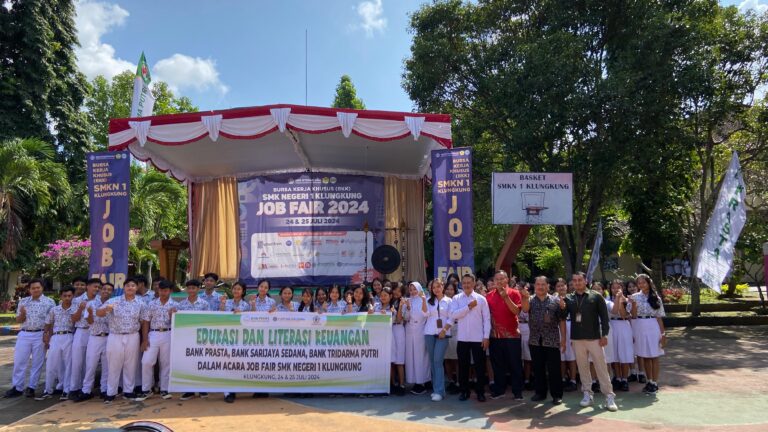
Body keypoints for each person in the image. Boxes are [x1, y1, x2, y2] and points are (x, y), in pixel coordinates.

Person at [563, 272, 617, 411]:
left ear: (585, 281)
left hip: (595, 338)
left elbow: (604, 318)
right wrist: (562, 307)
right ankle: (587, 394)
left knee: (601, 367)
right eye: (574, 281)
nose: (577, 283)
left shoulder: (596, 296)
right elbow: (562, 317)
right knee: (582, 367)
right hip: (577, 338)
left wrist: (604, 334)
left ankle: (609, 396)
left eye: (580, 280)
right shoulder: (569, 298)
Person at [96, 277, 145, 404]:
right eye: (128, 285)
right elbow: (98, 313)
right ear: (124, 288)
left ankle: (128, 391)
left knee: (131, 364)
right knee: (113, 364)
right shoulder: (114, 301)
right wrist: (107, 309)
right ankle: (110, 392)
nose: (130, 288)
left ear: (136, 288)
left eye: (133, 285)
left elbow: (143, 321)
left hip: (133, 335)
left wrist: (144, 340)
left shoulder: (141, 303)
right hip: (115, 335)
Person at [4, 279, 55, 398]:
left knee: (37, 362)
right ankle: (17, 387)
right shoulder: (23, 302)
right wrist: (22, 314)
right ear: (29, 290)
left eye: (38, 287)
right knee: (19, 361)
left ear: (42, 288)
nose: (36, 290)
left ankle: (31, 387)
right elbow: (18, 320)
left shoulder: (50, 302)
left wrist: (49, 336)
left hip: (40, 334)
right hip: (25, 333)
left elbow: (52, 321)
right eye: (33, 288)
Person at [521, 276, 566, 405]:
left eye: (543, 284)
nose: (540, 287)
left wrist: (563, 339)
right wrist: (524, 296)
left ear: (548, 286)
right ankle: (540, 393)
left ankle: (557, 395)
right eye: (538, 284)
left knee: (554, 369)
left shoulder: (555, 301)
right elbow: (524, 309)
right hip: (535, 340)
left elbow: (562, 321)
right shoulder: (530, 299)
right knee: (538, 368)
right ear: (534, 286)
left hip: (552, 340)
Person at [450, 274, 490, 402]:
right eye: (464, 282)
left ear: (473, 283)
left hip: (478, 338)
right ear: (461, 284)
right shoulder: (456, 298)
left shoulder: (481, 299)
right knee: (463, 366)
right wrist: (468, 307)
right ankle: (464, 391)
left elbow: (487, 319)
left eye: (469, 282)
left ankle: (480, 392)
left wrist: (486, 337)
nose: (466, 285)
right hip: (462, 338)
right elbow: (454, 315)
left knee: (479, 367)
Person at [136, 280, 178, 402]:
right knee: (146, 362)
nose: (163, 293)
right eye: (161, 290)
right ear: (157, 290)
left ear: (170, 291)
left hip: (168, 333)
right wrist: (144, 340)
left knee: (165, 363)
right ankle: (146, 389)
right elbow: (146, 322)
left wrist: (172, 315)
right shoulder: (151, 304)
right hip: (153, 333)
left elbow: (177, 324)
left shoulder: (175, 306)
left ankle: (164, 388)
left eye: (165, 290)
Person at [486, 270, 523, 400]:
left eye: (502, 279)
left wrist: (505, 297)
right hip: (495, 336)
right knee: (498, 365)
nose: (500, 281)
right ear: (494, 281)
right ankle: (499, 390)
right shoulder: (489, 296)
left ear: (507, 280)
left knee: (515, 364)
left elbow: (516, 311)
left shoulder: (514, 293)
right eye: (497, 279)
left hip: (512, 335)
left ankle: (517, 392)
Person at [35, 286, 76, 400]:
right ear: (61, 296)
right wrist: (46, 334)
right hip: (56, 337)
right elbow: (48, 323)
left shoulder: (75, 309)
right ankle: (47, 389)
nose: (67, 298)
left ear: (72, 296)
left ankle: (66, 390)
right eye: (65, 296)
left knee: (69, 364)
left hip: (69, 336)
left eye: (69, 296)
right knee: (51, 364)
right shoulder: (55, 309)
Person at [76, 282, 114, 402]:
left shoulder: (113, 304)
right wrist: (92, 314)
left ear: (111, 292)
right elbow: (90, 321)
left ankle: (104, 389)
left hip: (109, 337)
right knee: (91, 365)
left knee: (107, 366)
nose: (106, 291)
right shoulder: (91, 304)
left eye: (109, 289)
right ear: (100, 290)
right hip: (95, 337)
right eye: (104, 289)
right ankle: (86, 390)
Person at [630, 274, 666, 395]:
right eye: (639, 283)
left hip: (652, 325)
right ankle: (649, 381)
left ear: (648, 283)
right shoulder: (634, 297)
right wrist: (633, 303)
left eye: (643, 282)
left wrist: (663, 334)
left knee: (654, 356)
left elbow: (659, 317)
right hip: (639, 325)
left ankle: (655, 383)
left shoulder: (656, 298)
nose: (641, 285)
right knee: (645, 355)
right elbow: (633, 315)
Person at [68, 277, 101, 400]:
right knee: (77, 361)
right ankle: (73, 388)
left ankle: (87, 389)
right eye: (94, 286)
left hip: (95, 333)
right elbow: (73, 319)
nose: (96, 289)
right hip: (81, 332)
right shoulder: (77, 301)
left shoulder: (100, 300)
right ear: (88, 287)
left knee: (91, 363)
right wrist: (81, 309)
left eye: (98, 287)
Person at [218, 281, 250, 403]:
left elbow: (249, 320)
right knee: (226, 364)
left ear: (243, 292)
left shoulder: (246, 305)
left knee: (236, 365)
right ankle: (228, 392)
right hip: (226, 337)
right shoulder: (226, 302)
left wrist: (241, 314)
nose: (236, 291)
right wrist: (222, 305)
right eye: (235, 289)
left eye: (239, 289)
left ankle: (235, 388)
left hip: (240, 339)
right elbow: (219, 315)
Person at [423, 279, 452, 401]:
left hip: (443, 334)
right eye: (433, 287)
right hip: (429, 333)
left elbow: (452, 318)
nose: (436, 289)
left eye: (438, 286)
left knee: (437, 361)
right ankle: (436, 389)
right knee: (433, 361)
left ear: (442, 286)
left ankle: (439, 391)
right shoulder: (430, 300)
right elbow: (425, 314)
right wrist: (424, 300)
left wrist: (444, 330)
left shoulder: (449, 301)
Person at [403, 282, 430, 395]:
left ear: (419, 289)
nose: (413, 292)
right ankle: (414, 381)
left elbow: (425, 314)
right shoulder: (408, 301)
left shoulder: (425, 299)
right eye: (411, 289)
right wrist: (408, 308)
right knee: (411, 357)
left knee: (421, 357)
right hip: (409, 329)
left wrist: (423, 301)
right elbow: (405, 317)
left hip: (420, 329)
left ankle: (423, 382)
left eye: (415, 289)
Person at [606, 280, 633, 392]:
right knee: (614, 354)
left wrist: (621, 300)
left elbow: (623, 315)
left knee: (624, 353)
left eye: (618, 287)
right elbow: (611, 312)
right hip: (612, 326)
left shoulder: (627, 300)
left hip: (623, 326)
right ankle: (617, 377)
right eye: (613, 287)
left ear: (622, 288)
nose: (616, 289)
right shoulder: (607, 301)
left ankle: (625, 379)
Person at [555, 278, 578, 391]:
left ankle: (573, 380)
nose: (561, 288)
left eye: (562, 286)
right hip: (557, 329)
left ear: (566, 287)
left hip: (572, 327)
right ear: (555, 288)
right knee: (561, 357)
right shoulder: (553, 300)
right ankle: (563, 378)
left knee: (572, 356)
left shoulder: (572, 299)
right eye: (558, 286)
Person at [442, 281, 459, 394]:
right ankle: (450, 380)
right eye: (447, 289)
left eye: (451, 289)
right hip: (443, 331)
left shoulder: (458, 301)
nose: (449, 291)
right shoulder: (442, 301)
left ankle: (458, 381)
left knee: (456, 358)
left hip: (456, 330)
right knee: (447, 358)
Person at [389, 283, 406, 395]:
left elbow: (399, 319)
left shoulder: (403, 303)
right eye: (394, 290)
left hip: (399, 329)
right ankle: (392, 384)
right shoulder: (387, 302)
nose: (396, 293)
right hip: (389, 330)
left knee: (399, 360)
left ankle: (401, 384)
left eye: (399, 291)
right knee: (391, 360)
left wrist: (400, 306)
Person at [517, 282, 533, 391]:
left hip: (528, 329)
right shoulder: (513, 299)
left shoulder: (531, 299)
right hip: (516, 329)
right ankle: (518, 379)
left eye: (521, 288)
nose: (519, 290)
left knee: (528, 358)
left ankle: (527, 379)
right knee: (517, 358)